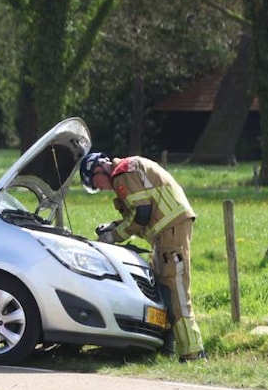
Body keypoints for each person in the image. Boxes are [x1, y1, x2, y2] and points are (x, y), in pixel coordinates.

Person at [80, 152, 206, 362]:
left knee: (176, 291)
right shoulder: (130, 168)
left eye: (96, 183)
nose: (100, 188)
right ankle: (168, 346)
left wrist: (114, 235)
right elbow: (140, 210)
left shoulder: (122, 174)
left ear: (99, 168)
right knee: (163, 289)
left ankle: (193, 353)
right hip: (167, 232)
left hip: (169, 231)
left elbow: (142, 214)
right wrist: (114, 225)